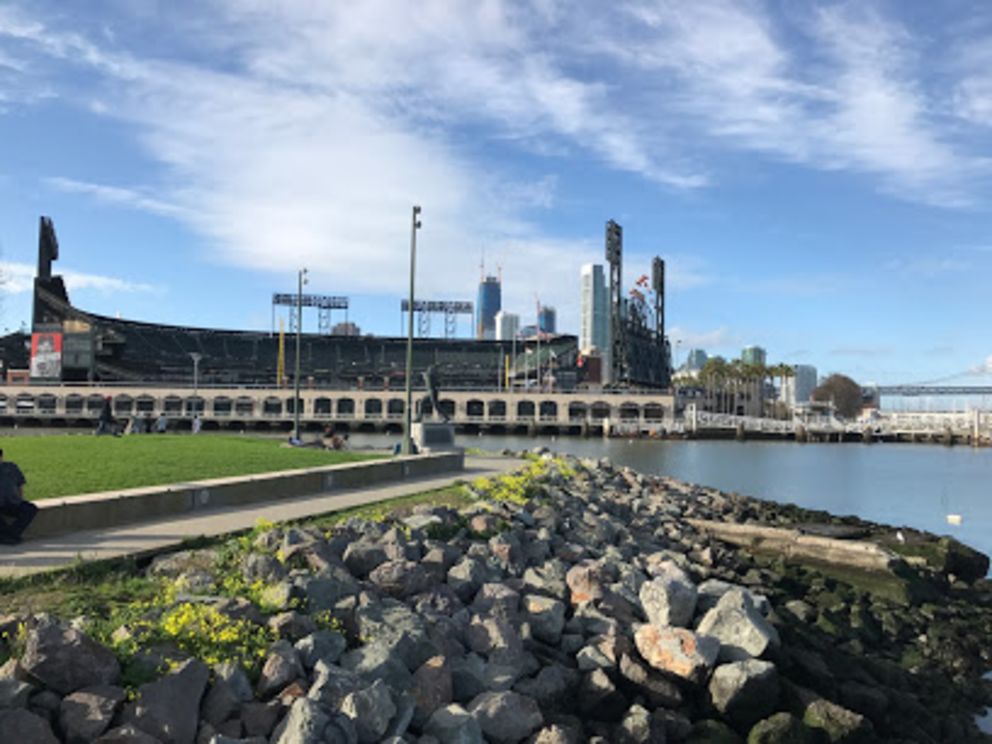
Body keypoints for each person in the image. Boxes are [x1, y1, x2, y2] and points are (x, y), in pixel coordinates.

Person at [0, 448, 35, 546]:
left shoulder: (11, 467)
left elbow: (20, 485)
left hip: (12, 502)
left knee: (30, 509)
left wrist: (20, 499)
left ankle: (8, 535)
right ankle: (10, 536)